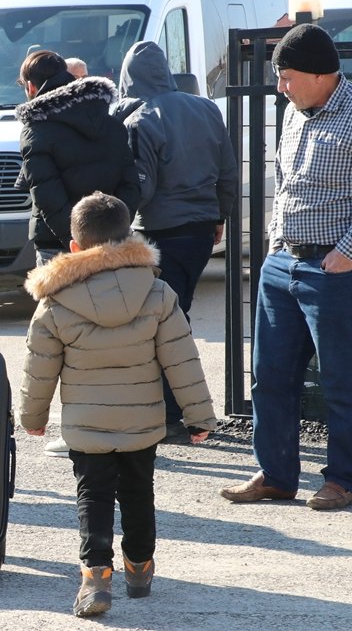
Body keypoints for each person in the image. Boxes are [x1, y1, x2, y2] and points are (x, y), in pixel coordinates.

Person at [220, 23, 352, 511]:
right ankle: (277, 475)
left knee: (342, 381)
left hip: (340, 269)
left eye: (287, 76)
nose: (281, 87)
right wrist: (278, 245)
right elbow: (289, 186)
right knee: (270, 376)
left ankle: (342, 480)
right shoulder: (297, 111)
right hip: (283, 265)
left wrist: (348, 251)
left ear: (321, 74)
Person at [19, 191, 216, 618]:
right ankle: (140, 567)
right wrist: (199, 418)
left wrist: (32, 419)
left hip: (86, 425)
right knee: (138, 491)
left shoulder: (55, 302)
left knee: (93, 495)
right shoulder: (158, 292)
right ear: (130, 237)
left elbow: (40, 370)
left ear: (74, 247)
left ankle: (95, 577)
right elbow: (182, 361)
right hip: (142, 421)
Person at [14, 49, 141, 458]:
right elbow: (130, 180)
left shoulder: (37, 127)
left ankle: (79, 428)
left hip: (61, 246)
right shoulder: (107, 118)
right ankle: (123, 422)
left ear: (32, 87)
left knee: (61, 338)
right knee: (116, 333)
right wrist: (112, 232)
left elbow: (48, 200)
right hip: (113, 239)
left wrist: (77, 245)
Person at [112, 40, 237, 440]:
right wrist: (220, 214)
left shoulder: (141, 120)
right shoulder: (206, 107)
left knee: (164, 323)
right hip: (201, 230)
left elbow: (142, 189)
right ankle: (177, 408)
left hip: (161, 232)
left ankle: (169, 413)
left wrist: (115, 225)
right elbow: (228, 170)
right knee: (177, 315)